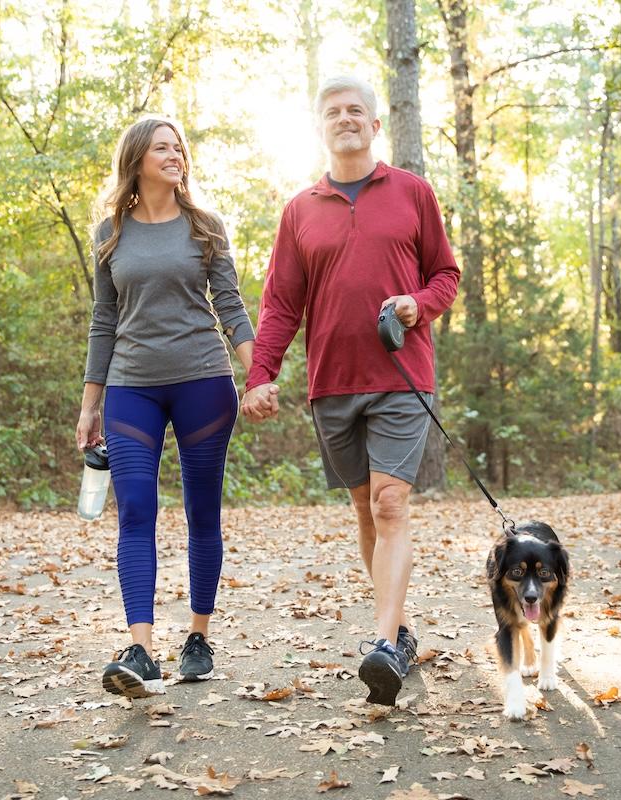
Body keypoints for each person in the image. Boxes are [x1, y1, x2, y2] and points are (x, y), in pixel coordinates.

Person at [241, 75, 460, 705]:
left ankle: (385, 644)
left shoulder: (414, 193)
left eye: (355, 110)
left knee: (392, 504)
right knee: (365, 510)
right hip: (331, 382)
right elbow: (282, 301)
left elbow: (445, 274)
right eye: (333, 111)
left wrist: (418, 306)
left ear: (374, 125)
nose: (345, 118)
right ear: (320, 125)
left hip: (400, 376)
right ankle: (399, 631)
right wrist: (261, 375)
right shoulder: (300, 210)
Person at [76, 116, 255, 699]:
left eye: (179, 147)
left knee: (202, 510)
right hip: (132, 388)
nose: (175, 154)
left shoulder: (205, 226)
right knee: (135, 511)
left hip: (203, 380)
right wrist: (90, 403)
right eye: (162, 147)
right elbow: (104, 322)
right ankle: (142, 650)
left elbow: (230, 305)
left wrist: (258, 374)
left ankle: (198, 636)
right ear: (137, 158)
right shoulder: (110, 231)